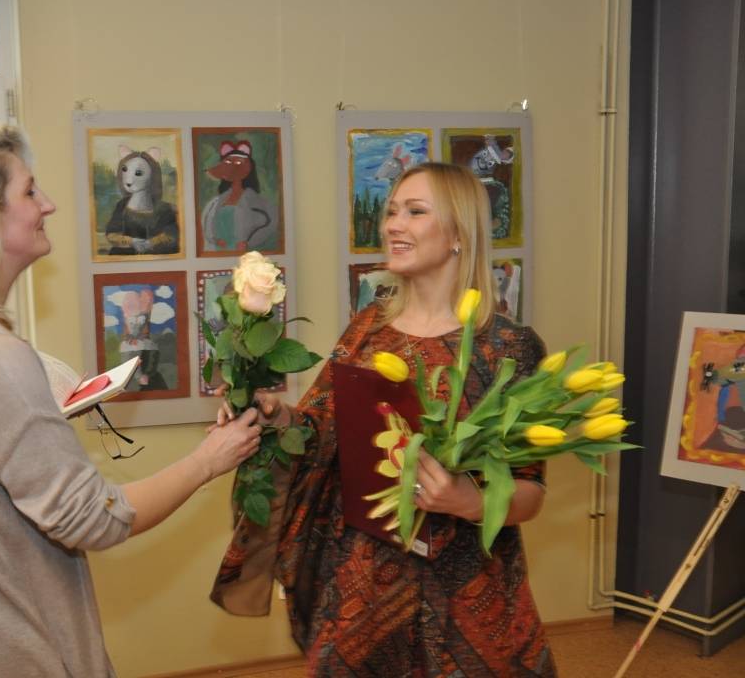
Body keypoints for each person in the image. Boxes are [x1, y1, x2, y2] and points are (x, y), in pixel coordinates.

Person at [0, 126, 262, 677]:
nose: (48, 205)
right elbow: (93, 519)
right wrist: (209, 460)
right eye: (30, 191)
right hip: (5, 650)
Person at [211, 162, 557, 676]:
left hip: (467, 594)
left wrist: (468, 500)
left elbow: (530, 492)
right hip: (366, 583)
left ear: (459, 234)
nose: (393, 224)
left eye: (415, 212)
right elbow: (320, 435)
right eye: (392, 211)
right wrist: (275, 415)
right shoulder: (369, 327)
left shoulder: (509, 348)